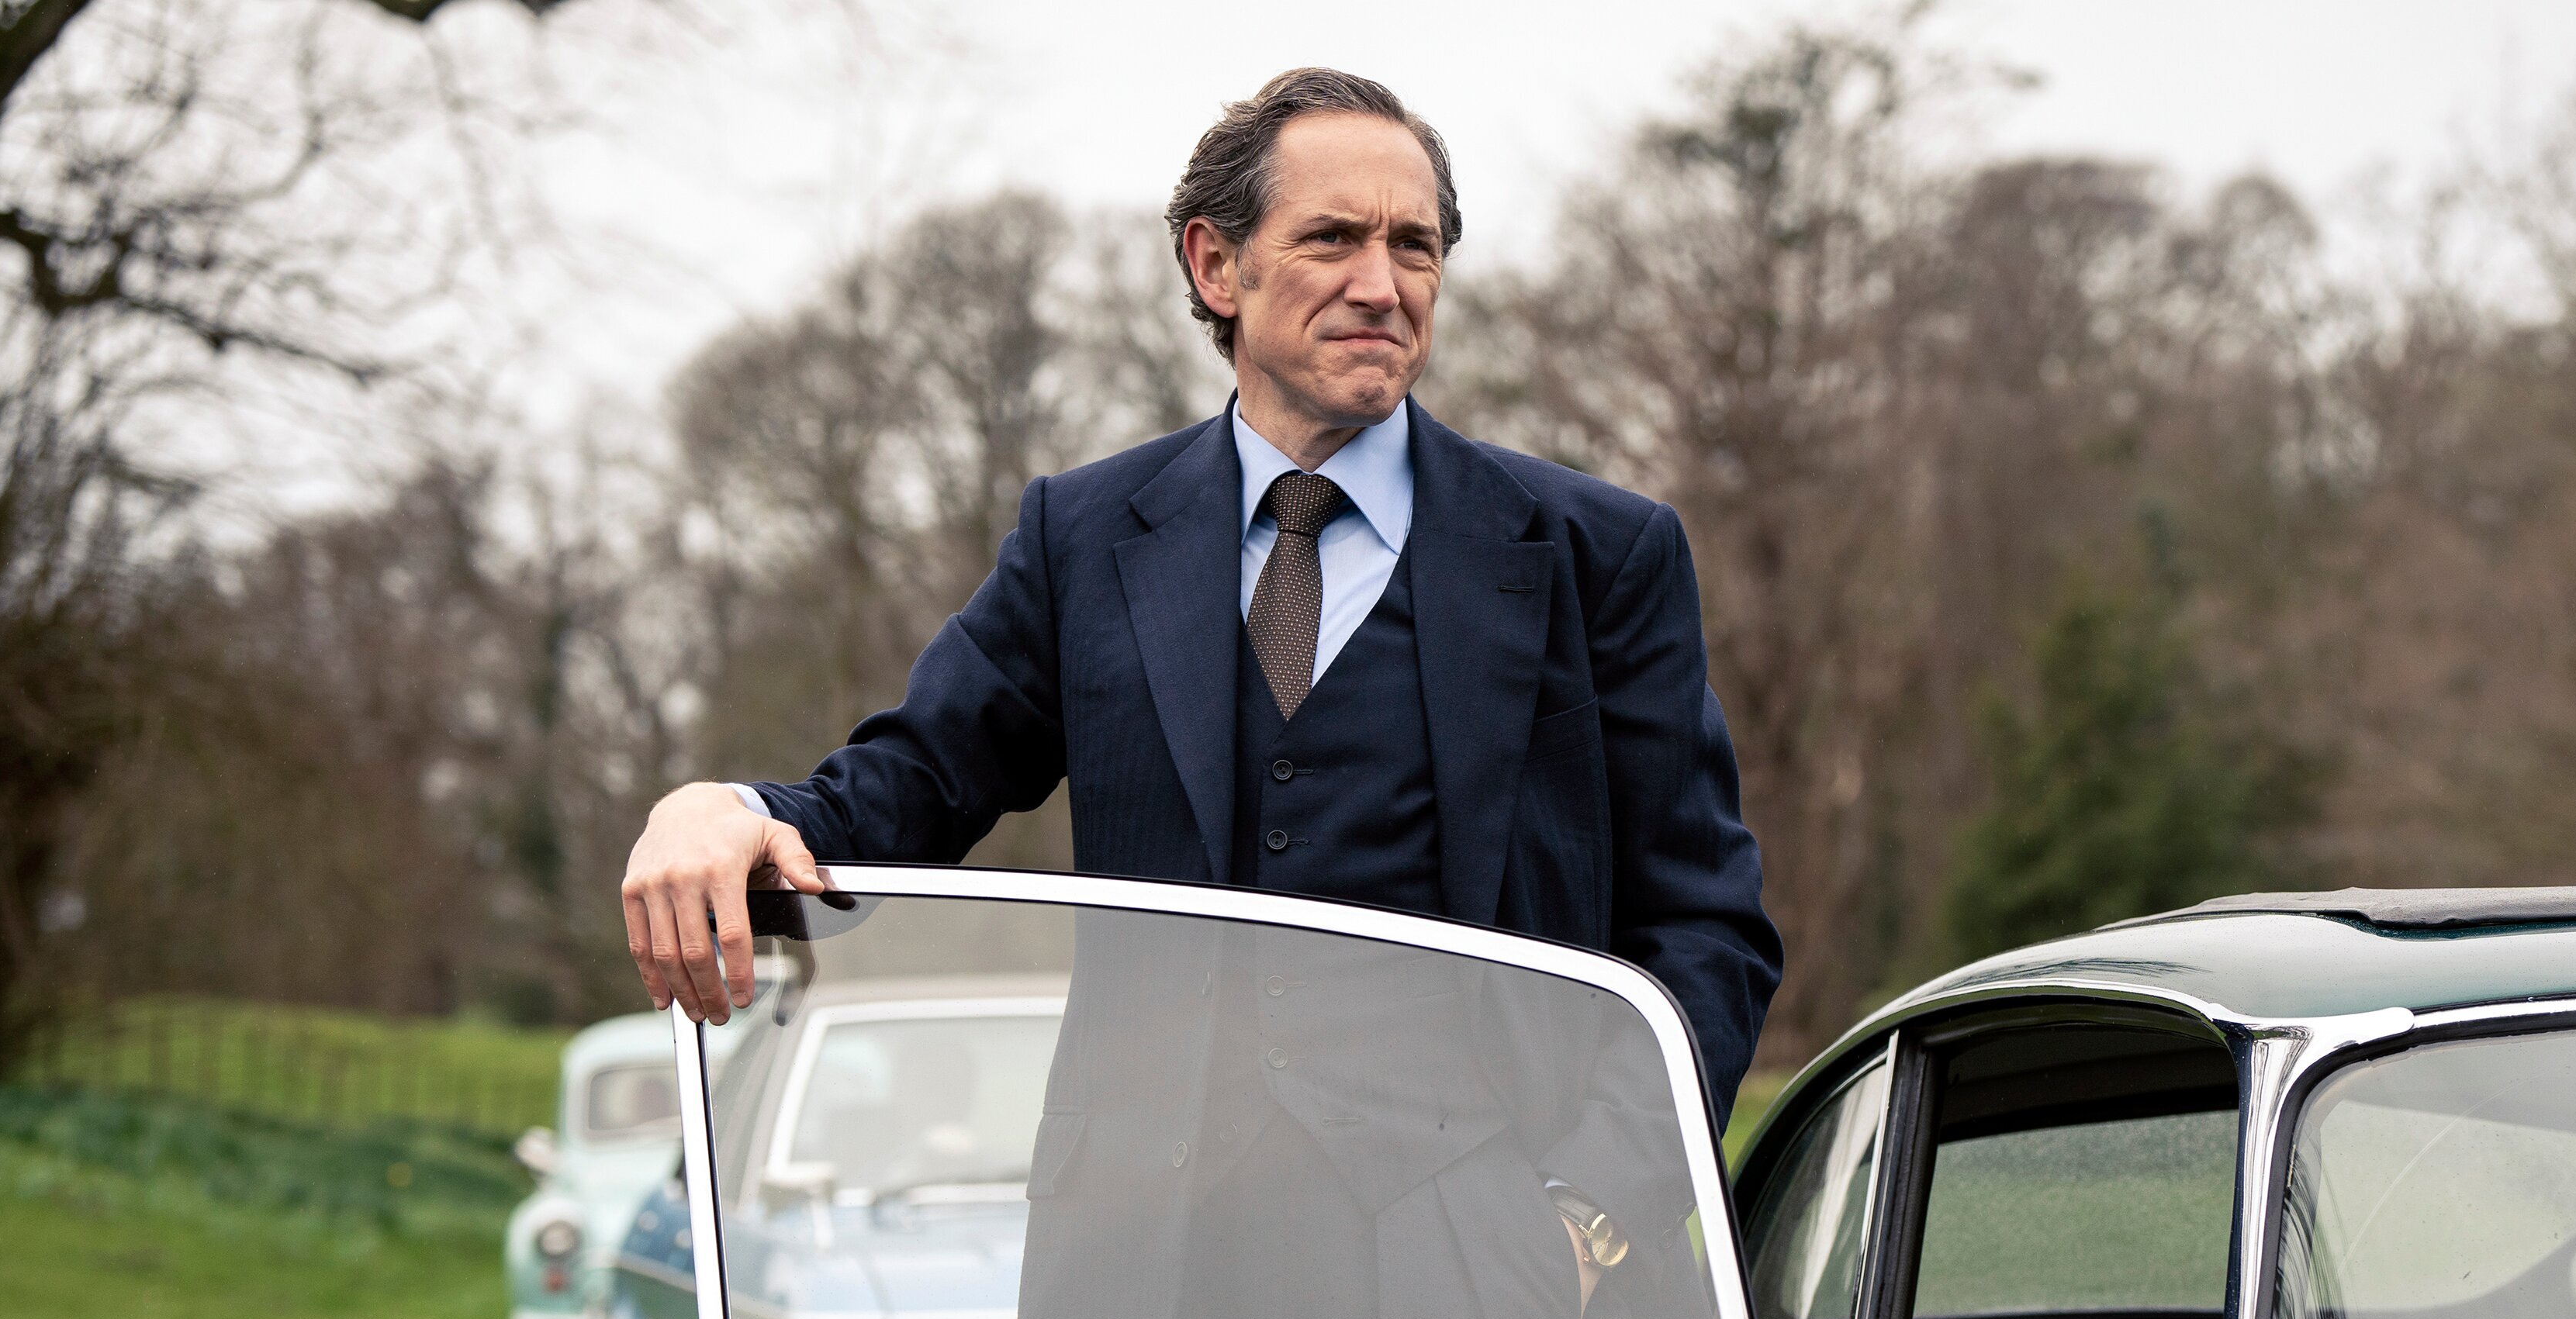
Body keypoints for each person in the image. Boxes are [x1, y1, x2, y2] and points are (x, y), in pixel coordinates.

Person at [619, 67, 1779, 1114]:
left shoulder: (1598, 554)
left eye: (1415, 247)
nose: (1382, 285)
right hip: (1145, 1250)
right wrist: (723, 810)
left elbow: (1704, 928)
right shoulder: (1080, 538)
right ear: (1216, 265)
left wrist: (1591, 1219)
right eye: (1332, 238)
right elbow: (904, 789)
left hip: (1484, 1250)